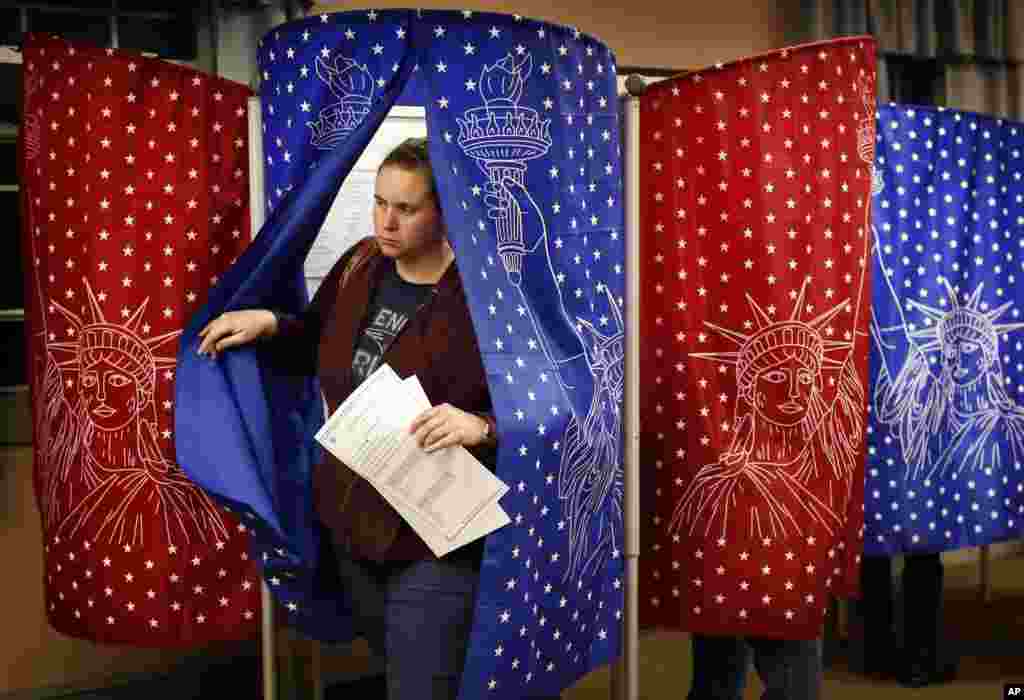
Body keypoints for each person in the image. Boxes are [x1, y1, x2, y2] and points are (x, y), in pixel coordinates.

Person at [196, 138, 556, 700]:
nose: (387, 222)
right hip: (355, 518)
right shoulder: (362, 263)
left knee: (420, 686)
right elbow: (317, 337)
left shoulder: (488, 293)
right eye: (380, 203)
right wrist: (269, 323)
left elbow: (549, 401)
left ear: (446, 211)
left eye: (406, 209)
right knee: (405, 669)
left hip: (436, 533)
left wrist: (482, 426)